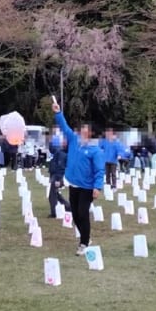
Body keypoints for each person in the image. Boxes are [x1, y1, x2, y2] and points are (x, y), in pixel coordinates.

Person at [52, 100, 104, 256]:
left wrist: (97, 187)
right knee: (75, 214)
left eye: (86, 130)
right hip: (73, 184)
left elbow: (99, 170)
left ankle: (84, 242)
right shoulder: (74, 140)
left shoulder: (95, 150)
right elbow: (65, 127)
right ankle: (86, 237)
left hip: (87, 187)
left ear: (91, 133)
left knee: (82, 213)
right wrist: (58, 113)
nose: (82, 130)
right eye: (82, 129)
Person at [47, 133, 71, 219]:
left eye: (65, 141)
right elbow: (52, 149)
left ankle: (54, 213)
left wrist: (59, 180)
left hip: (59, 177)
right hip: (55, 175)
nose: (63, 141)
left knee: (52, 195)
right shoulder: (60, 150)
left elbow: (63, 168)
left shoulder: (67, 154)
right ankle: (69, 207)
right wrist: (50, 142)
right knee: (56, 194)